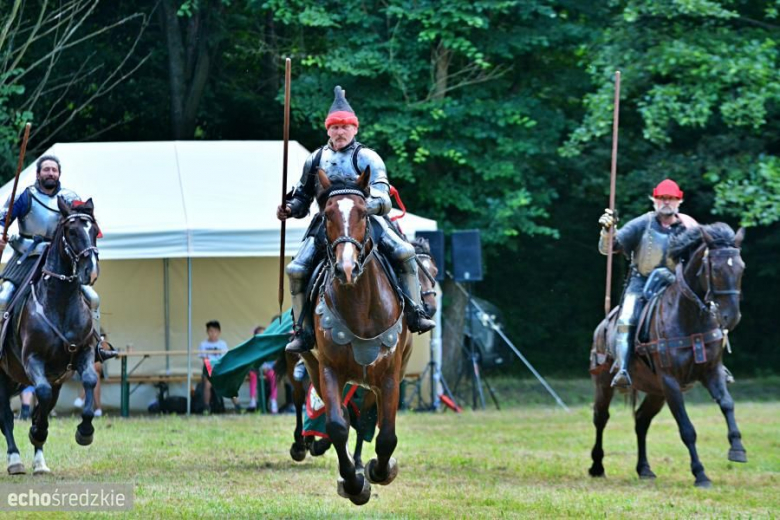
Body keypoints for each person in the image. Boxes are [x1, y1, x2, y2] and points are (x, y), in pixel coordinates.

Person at [277, 86, 435, 354]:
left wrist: (359, 209)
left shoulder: (367, 157)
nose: (340, 132)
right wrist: (290, 208)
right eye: (335, 127)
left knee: (405, 252)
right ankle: (302, 330)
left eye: (345, 127)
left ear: (354, 129)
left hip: (367, 221)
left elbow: (383, 197)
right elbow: (303, 197)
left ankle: (415, 312)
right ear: (328, 130)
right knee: (296, 269)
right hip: (327, 225)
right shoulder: (315, 159)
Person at [598, 179, 697, 388]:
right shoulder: (642, 223)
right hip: (641, 283)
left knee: (706, 311)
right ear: (654, 200)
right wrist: (608, 231)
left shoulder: (688, 226)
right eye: (662, 198)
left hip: (676, 285)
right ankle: (623, 368)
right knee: (626, 318)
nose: (666, 202)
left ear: (679, 201)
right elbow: (609, 248)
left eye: (671, 198)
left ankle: (714, 366)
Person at [0, 155, 102, 339]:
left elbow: (83, 224)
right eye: (46, 169)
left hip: (59, 260)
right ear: (38, 174)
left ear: (59, 174)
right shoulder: (24, 195)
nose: (50, 173)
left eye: (54, 170)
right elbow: (2, 221)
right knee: (3, 297)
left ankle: (96, 345)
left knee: (93, 299)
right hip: (26, 258)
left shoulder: (71, 198)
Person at [197, 320, 240, 413]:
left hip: (221, 369)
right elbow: (205, 360)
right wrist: (211, 372)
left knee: (230, 384)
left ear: (219, 332)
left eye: (215, 331)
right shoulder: (203, 344)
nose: (213, 334)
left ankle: (237, 405)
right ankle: (206, 407)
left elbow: (225, 359)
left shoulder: (222, 344)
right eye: (210, 331)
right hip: (209, 369)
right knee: (207, 384)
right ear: (207, 332)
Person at [73, 329, 114, 417]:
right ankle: (98, 408)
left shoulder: (99, 330)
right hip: (82, 369)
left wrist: (101, 342)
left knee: (95, 368)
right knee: (95, 375)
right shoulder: (82, 331)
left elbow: (106, 349)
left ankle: (82, 397)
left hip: (97, 367)